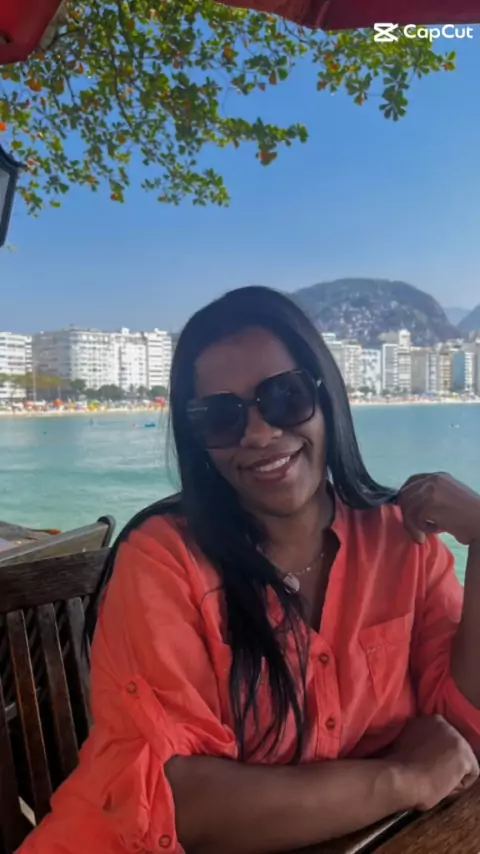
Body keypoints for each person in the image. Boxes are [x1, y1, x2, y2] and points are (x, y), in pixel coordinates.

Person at [18, 286, 480, 854]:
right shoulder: (164, 562)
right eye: (221, 417)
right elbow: (181, 803)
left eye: (284, 396)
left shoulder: (402, 542)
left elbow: (462, 727)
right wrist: (401, 780)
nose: (258, 434)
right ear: (198, 440)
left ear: (326, 395)